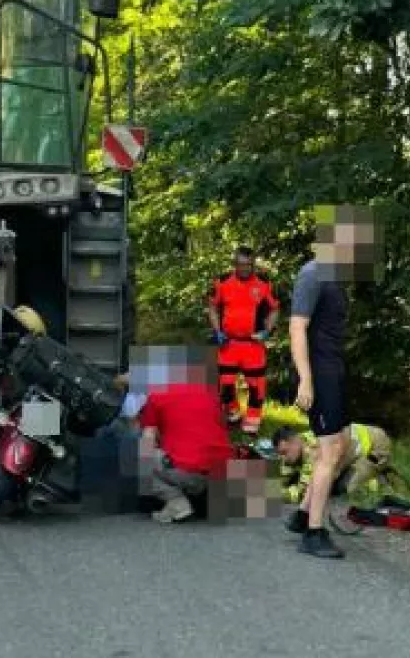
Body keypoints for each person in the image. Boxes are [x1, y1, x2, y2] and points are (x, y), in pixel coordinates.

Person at [288, 211, 367, 559]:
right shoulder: (313, 274)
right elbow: (296, 327)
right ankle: (314, 533)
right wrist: (306, 379)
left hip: (332, 369)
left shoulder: (334, 277)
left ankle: (303, 512)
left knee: (344, 441)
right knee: (330, 450)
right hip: (317, 372)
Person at [135, 354, 236, 524]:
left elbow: (149, 437)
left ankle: (176, 502)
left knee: (143, 454)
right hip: (223, 471)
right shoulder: (212, 394)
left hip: (188, 472)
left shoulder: (158, 395)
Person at [207, 246, 281, 434]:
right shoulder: (222, 282)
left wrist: (267, 330)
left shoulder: (264, 284)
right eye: (240, 265)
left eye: (248, 265)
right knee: (226, 385)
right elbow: (212, 308)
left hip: (253, 345)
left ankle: (252, 424)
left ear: (253, 265)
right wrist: (217, 331)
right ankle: (233, 415)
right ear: (234, 264)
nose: (244, 268)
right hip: (229, 344)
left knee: (256, 387)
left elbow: (274, 309)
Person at [273, 423, 399, 513]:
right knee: (331, 483)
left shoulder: (312, 452)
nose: (283, 458)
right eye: (280, 454)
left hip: (375, 445)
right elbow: (284, 477)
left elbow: (302, 494)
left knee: (346, 488)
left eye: (284, 453)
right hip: (355, 444)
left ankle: (376, 479)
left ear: (295, 442)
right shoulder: (301, 441)